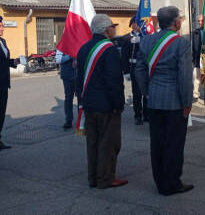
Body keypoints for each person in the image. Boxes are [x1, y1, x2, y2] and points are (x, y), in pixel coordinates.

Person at [136, 6, 194, 196]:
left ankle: (160, 182)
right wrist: (187, 102)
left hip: (153, 101)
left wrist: (147, 92)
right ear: (176, 22)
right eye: (180, 19)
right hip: (175, 103)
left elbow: (140, 71)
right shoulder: (181, 43)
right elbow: (185, 76)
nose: (181, 22)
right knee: (174, 144)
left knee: (157, 143)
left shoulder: (146, 41)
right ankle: (172, 183)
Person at [76, 14, 127, 189]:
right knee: (109, 143)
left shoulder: (83, 48)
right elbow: (113, 81)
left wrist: (81, 100)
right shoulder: (109, 49)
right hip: (106, 105)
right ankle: (105, 179)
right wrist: (118, 104)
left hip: (89, 104)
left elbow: (79, 79)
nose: (114, 29)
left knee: (92, 142)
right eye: (113, 26)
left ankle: (93, 177)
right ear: (107, 30)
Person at [120, 17, 146, 125]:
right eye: (136, 23)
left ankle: (147, 114)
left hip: (145, 67)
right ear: (132, 25)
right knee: (137, 93)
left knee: (146, 93)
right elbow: (124, 56)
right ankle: (138, 115)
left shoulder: (146, 37)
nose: (139, 25)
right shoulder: (126, 38)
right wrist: (126, 71)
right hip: (134, 67)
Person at [0, 17, 18, 151]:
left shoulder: (2, 41)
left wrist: (14, 62)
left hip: (4, 83)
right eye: (1, 26)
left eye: (2, 26)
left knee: (1, 112)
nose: (2, 28)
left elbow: (4, 61)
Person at [55, 50, 77, 129]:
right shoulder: (62, 45)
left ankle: (82, 120)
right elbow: (57, 59)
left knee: (81, 99)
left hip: (79, 75)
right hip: (67, 76)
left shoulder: (79, 42)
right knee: (68, 98)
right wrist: (69, 57)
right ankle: (69, 120)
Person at [192, 14, 205, 101]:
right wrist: (193, 58)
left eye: (202, 21)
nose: (200, 23)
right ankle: (195, 95)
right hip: (198, 58)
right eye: (199, 21)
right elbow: (193, 47)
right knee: (196, 77)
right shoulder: (195, 32)